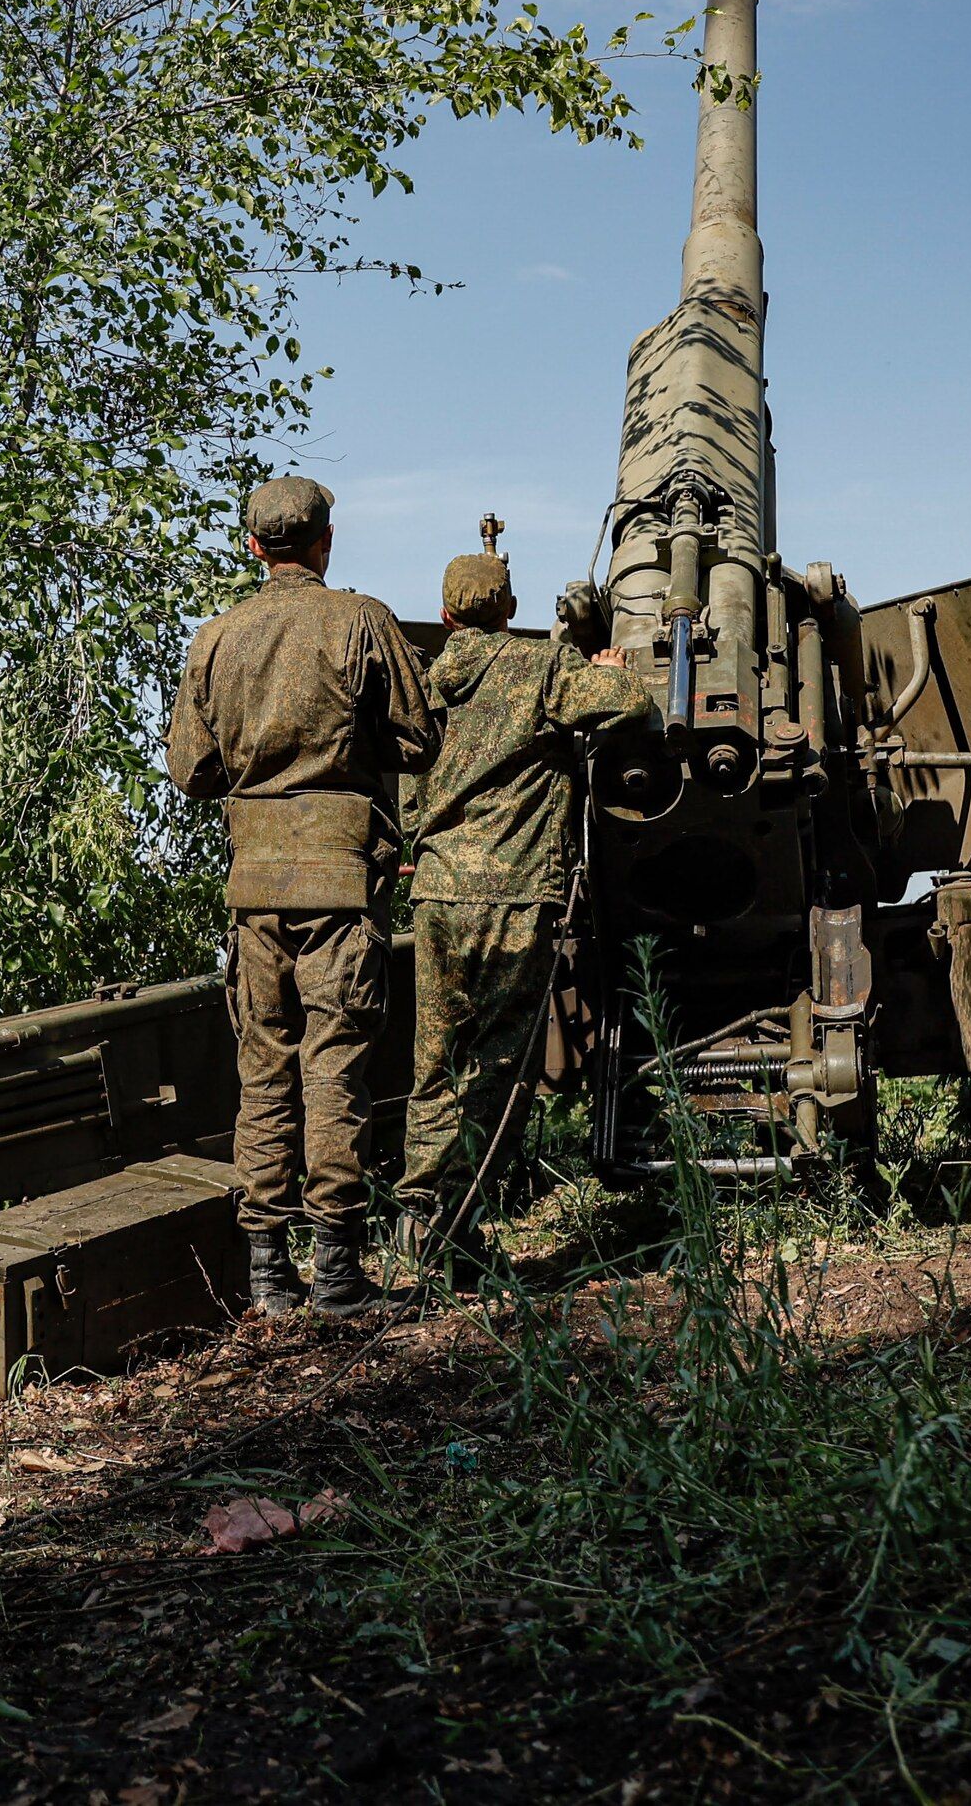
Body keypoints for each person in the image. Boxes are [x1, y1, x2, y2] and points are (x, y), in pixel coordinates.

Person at [166, 477, 437, 1318]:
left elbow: (192, 772)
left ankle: (269, 1278)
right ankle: (340, 1276)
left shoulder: (215, 638)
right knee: (333, 1070)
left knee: (265, 1072)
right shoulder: (361, 620)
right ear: (325, 541)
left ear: (253, 546)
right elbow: (419, 739)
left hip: (254, 889)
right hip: (339, 883)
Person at [399, 546, 654, 1270]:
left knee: (433, 1063)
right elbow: (632, 708)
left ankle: (417, 1211)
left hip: (437, 891)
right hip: (512, 894)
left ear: (446, 614)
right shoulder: (539, 667)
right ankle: (456, 1230)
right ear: (508, 610)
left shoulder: (427, 683)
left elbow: (408, 787)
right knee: (500, 1066)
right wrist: (606, 673)